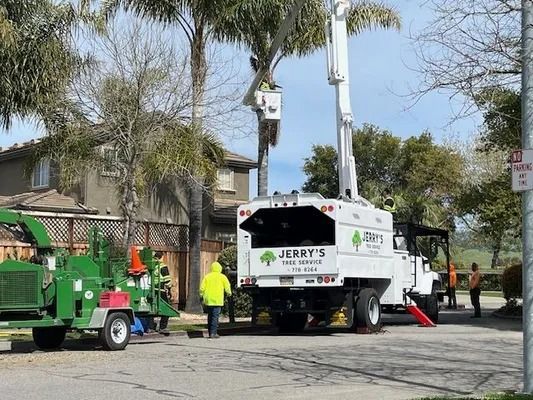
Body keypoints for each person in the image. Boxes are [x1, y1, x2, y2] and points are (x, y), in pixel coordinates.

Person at [200, 261, 232, 339]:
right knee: (215, 317)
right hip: (218, 300)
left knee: (210, 316)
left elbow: (202, 288)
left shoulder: (207, 276)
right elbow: (227, 286)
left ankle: (210, 332)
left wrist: (201, 295)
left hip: (208, 300)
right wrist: (229, 293)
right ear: (220, 268)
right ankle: (213, 333)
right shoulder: (222, 277)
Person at [153, 251, 172, 335]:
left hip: (153, 289)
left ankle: (150, 326)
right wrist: (170, 288)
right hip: (161, 290)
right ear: (161, 257)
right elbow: (167, 281)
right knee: (166, 308)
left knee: (153, 308)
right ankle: (163, 327)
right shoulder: (163, 267)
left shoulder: (152, 266)